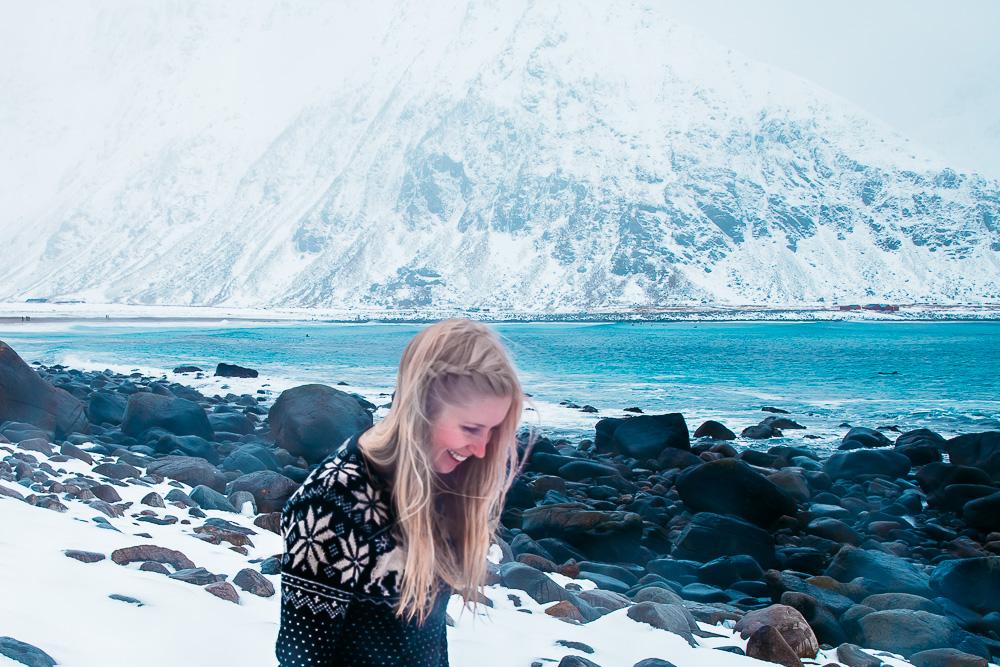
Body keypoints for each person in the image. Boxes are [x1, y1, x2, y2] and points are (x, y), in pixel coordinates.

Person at [275, 318, 533, 666]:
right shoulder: (329, 504)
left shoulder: (443, 482)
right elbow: (301, 659)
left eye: (492, 430)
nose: (483, 450)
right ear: (422, 406)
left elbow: (423, 641)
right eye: (471, 428)